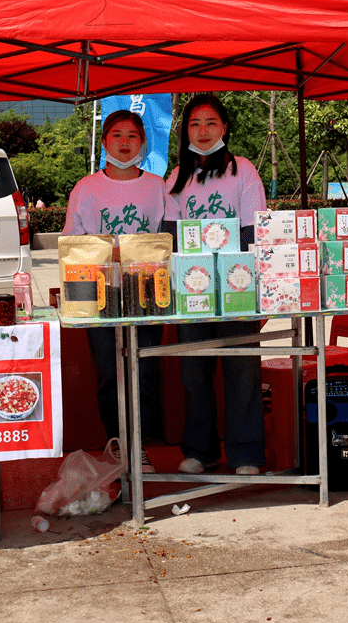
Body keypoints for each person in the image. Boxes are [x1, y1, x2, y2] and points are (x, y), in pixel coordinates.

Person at [163, 94, 266, 476]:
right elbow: (170, 234)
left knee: (242, 370)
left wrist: (253, 284)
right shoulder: (176, 177)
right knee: (194, 371)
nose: (202, 131)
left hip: (238, 285)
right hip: (191, 288)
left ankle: (247, 454)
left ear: (224, 128)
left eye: (210, 123)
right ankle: (201, 451)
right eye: (194, 124)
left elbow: (254, 228)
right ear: (185, 131)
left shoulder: (244, 171)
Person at [62, 110, 166, 471]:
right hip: (99, 292)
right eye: (117, 135)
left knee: (144, 370)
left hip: (149, 292)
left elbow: (169, 238)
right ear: (104, 141)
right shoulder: (86, 188)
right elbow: (71, 241)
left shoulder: (158, 186)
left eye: (132, 136)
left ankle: (142, 445)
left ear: (143, 142)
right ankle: (118, 442)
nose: (124, 142)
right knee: (109, 371)